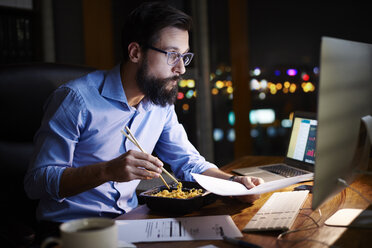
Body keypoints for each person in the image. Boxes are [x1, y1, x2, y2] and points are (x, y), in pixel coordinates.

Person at [24, 1, 263, 242]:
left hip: (130, 222)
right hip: (72, 231)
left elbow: (188, 162)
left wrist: (234, 184)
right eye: (172, 55)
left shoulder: (159, 104)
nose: (181, 68)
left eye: (184, 56)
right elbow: (37, 182)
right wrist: (107, 171)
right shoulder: (75, 100)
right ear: (136, 52)